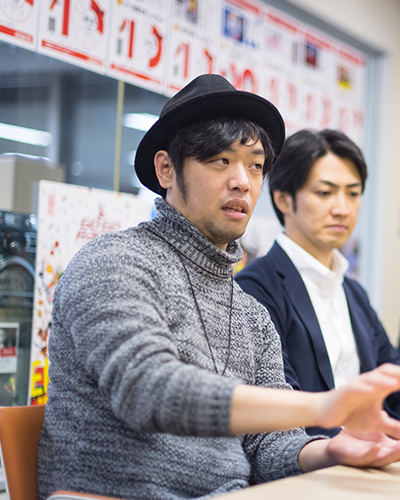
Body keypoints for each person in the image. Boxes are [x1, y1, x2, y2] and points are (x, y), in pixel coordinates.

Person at [38, 77, 400, 500]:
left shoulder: (250, 313)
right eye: (220, 160)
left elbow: (268, 443)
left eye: (255, 166)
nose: (242, 181)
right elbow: (149, 390)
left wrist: (328, 449)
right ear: (166, 169)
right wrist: (323, 405)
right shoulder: (115, 261)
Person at [236, 128, 400, 438]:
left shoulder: (354, 293)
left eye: (353, 193)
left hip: (375, 455)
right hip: (311, 459)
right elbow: (279, 408)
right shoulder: (255, 287)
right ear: (283, 199)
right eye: (325, 193)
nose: (343, 209)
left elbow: (392, 387)